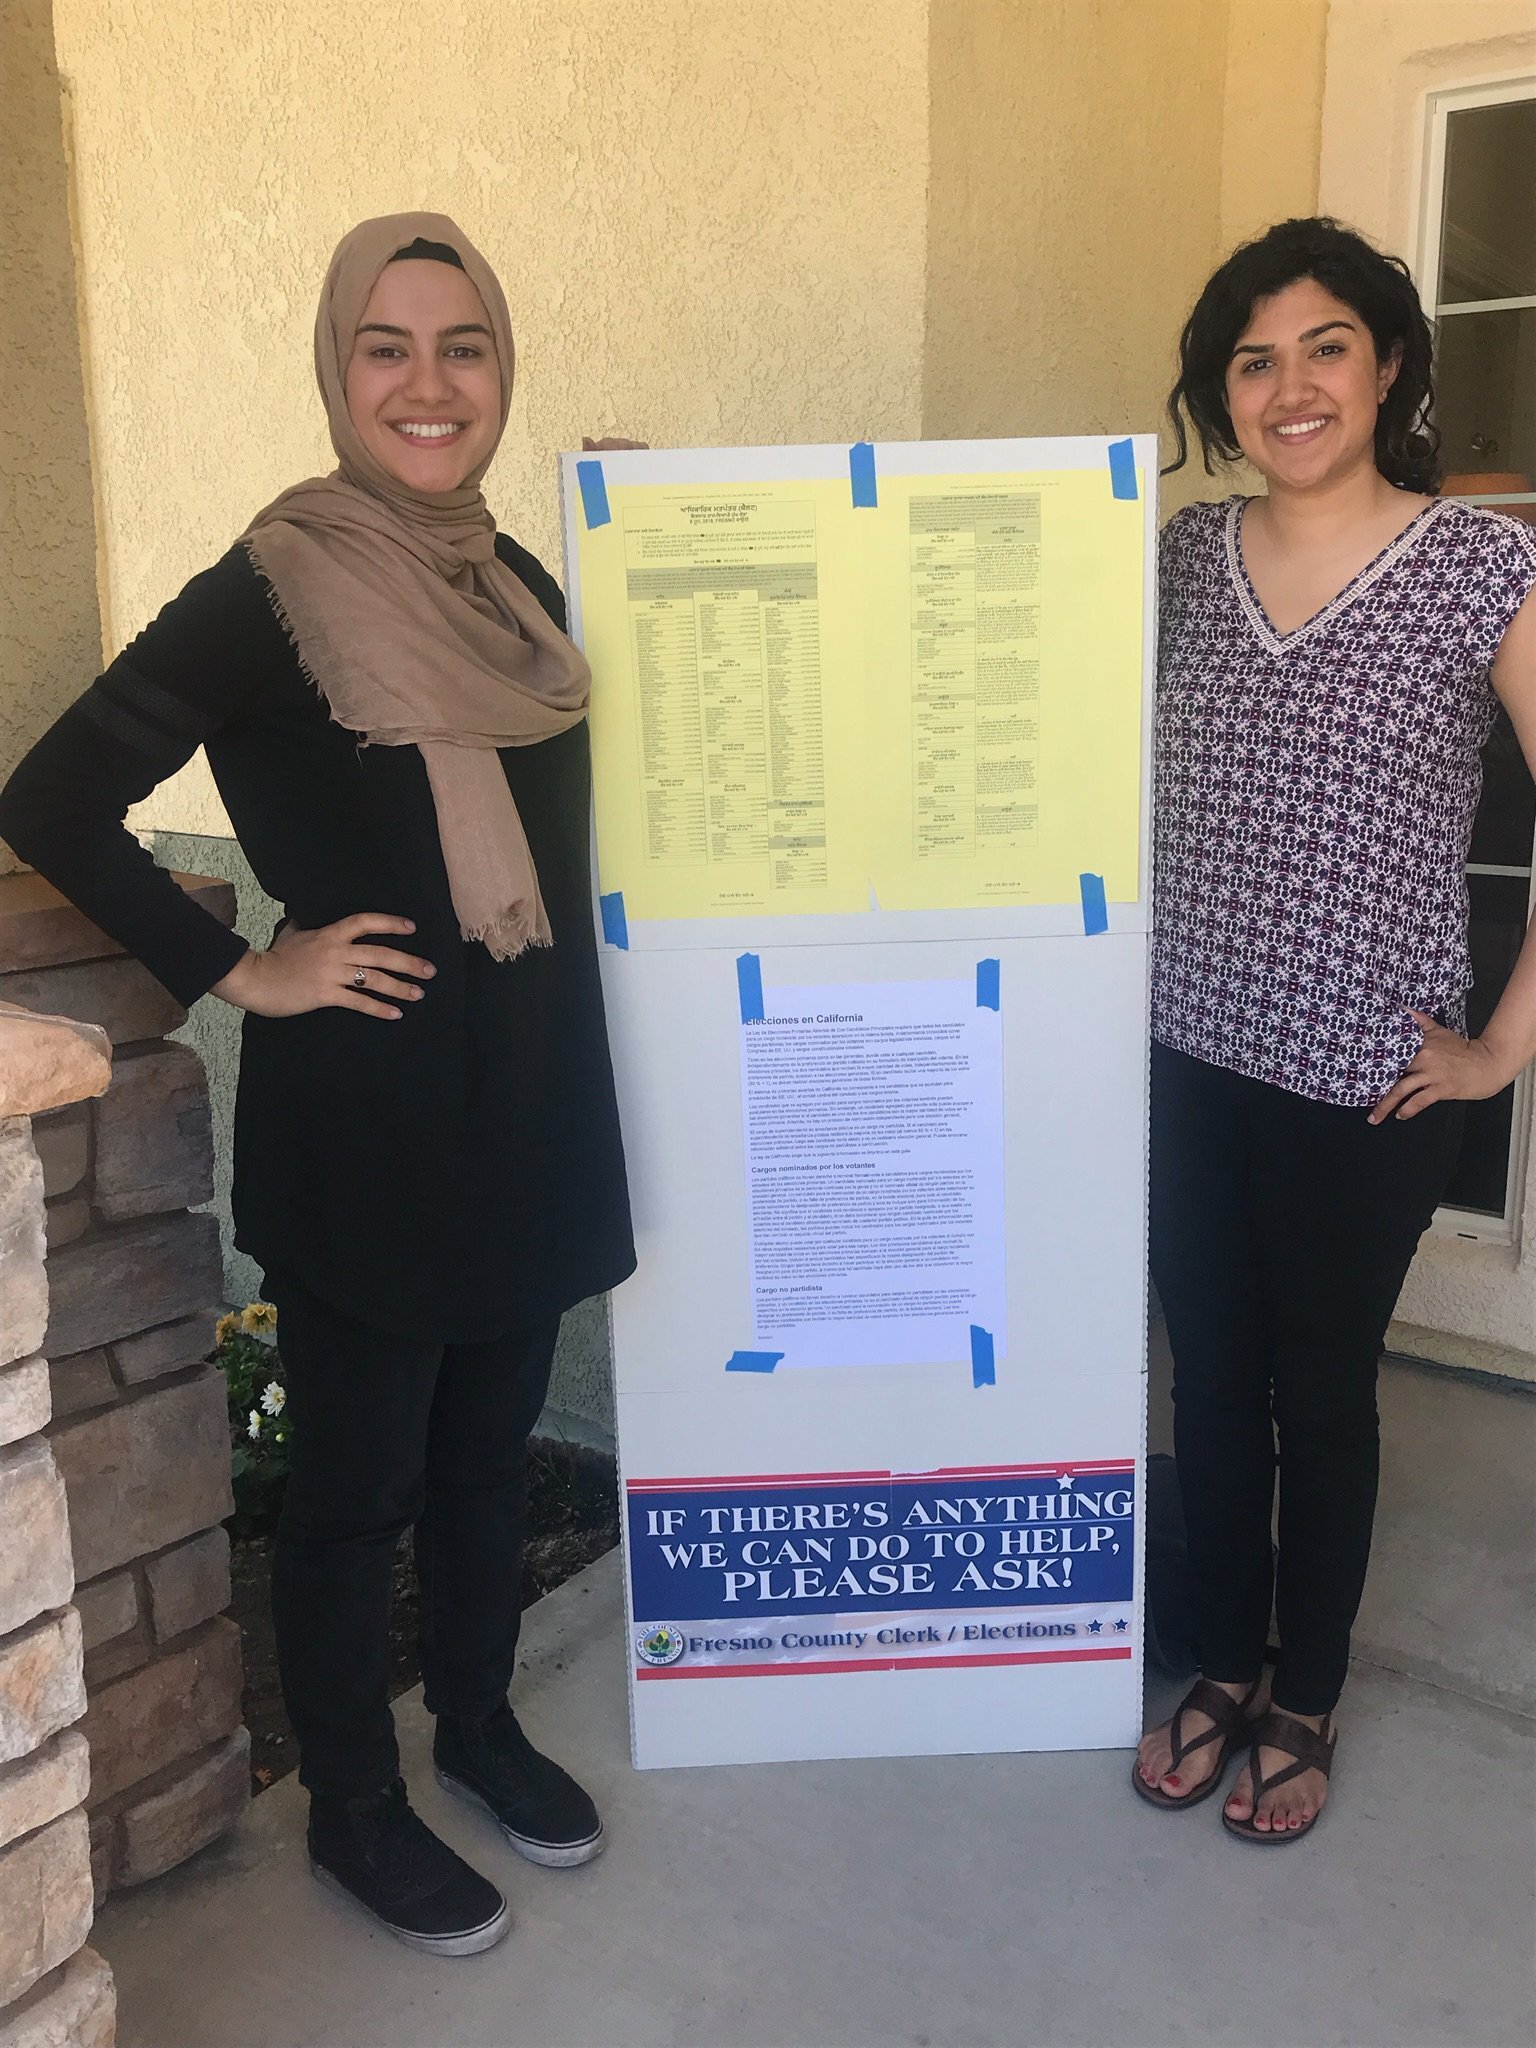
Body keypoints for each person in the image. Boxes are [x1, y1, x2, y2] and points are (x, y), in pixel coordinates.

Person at [0, 213, 638, 1950]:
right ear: (336, 370)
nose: (430, 385)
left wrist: (660, 542)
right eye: (388, 346)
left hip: (526, 1097)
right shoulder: (270, 587)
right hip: (370, 1116)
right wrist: (243, 969)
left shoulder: (516, 588)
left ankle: (482, 1727)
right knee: (358, 1491)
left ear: (501, 368)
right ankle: (356, 1804)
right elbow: (50, 797)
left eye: (465, 347)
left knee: (490, 1461)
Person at [1134, 218, 1536, 1843]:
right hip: (1183, 1054)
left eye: (1324, 349)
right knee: (1210, 1380)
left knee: (1323, 1389)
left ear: (1385, 369)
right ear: (1221, 395)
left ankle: (1305, 1694)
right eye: (1252, 358)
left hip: (1369, 1083)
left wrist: (1501, 1052)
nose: (1290, 386)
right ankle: (1220, 1662)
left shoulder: (1481, 564)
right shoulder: (1171, 555)